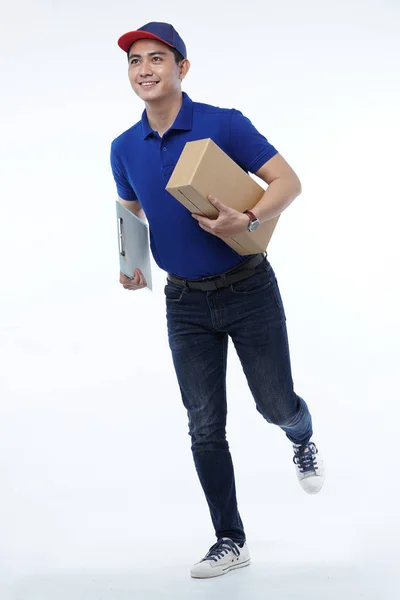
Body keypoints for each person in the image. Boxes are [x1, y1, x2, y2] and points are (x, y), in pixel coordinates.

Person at [110, 21, 325, 579]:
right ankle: (230, 539)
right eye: (135, 62)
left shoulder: (223, 124)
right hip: (183, 303)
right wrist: (131, 266)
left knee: (273, 405)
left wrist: (247, 217)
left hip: (248, 286)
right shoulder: (123, 146)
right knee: (204, 423)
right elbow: (131, 209)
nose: (145, 70)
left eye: (157, 59)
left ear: (182, 68)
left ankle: (300, 433)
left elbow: (287, 182)